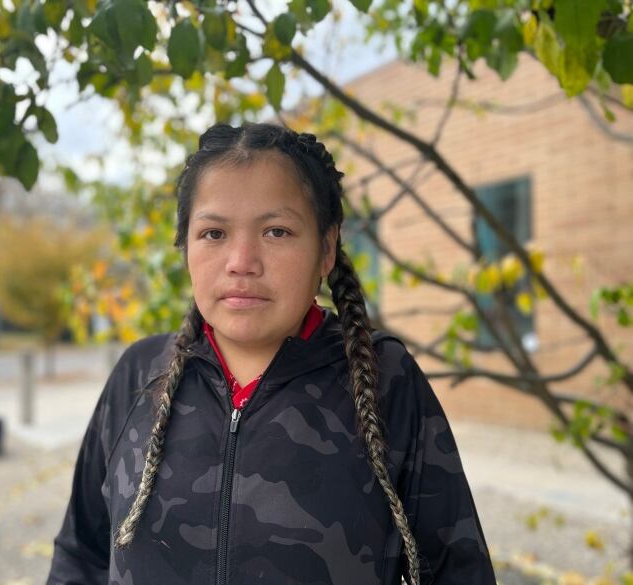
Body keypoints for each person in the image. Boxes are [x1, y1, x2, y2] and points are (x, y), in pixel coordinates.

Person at [47, 123, 496, 585]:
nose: (242, 260)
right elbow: (80, 554)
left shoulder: (387, 380)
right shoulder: (140, 373)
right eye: (214, 233)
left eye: (277, 231)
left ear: (326, 249)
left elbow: (458, 572)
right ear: (184, 246)